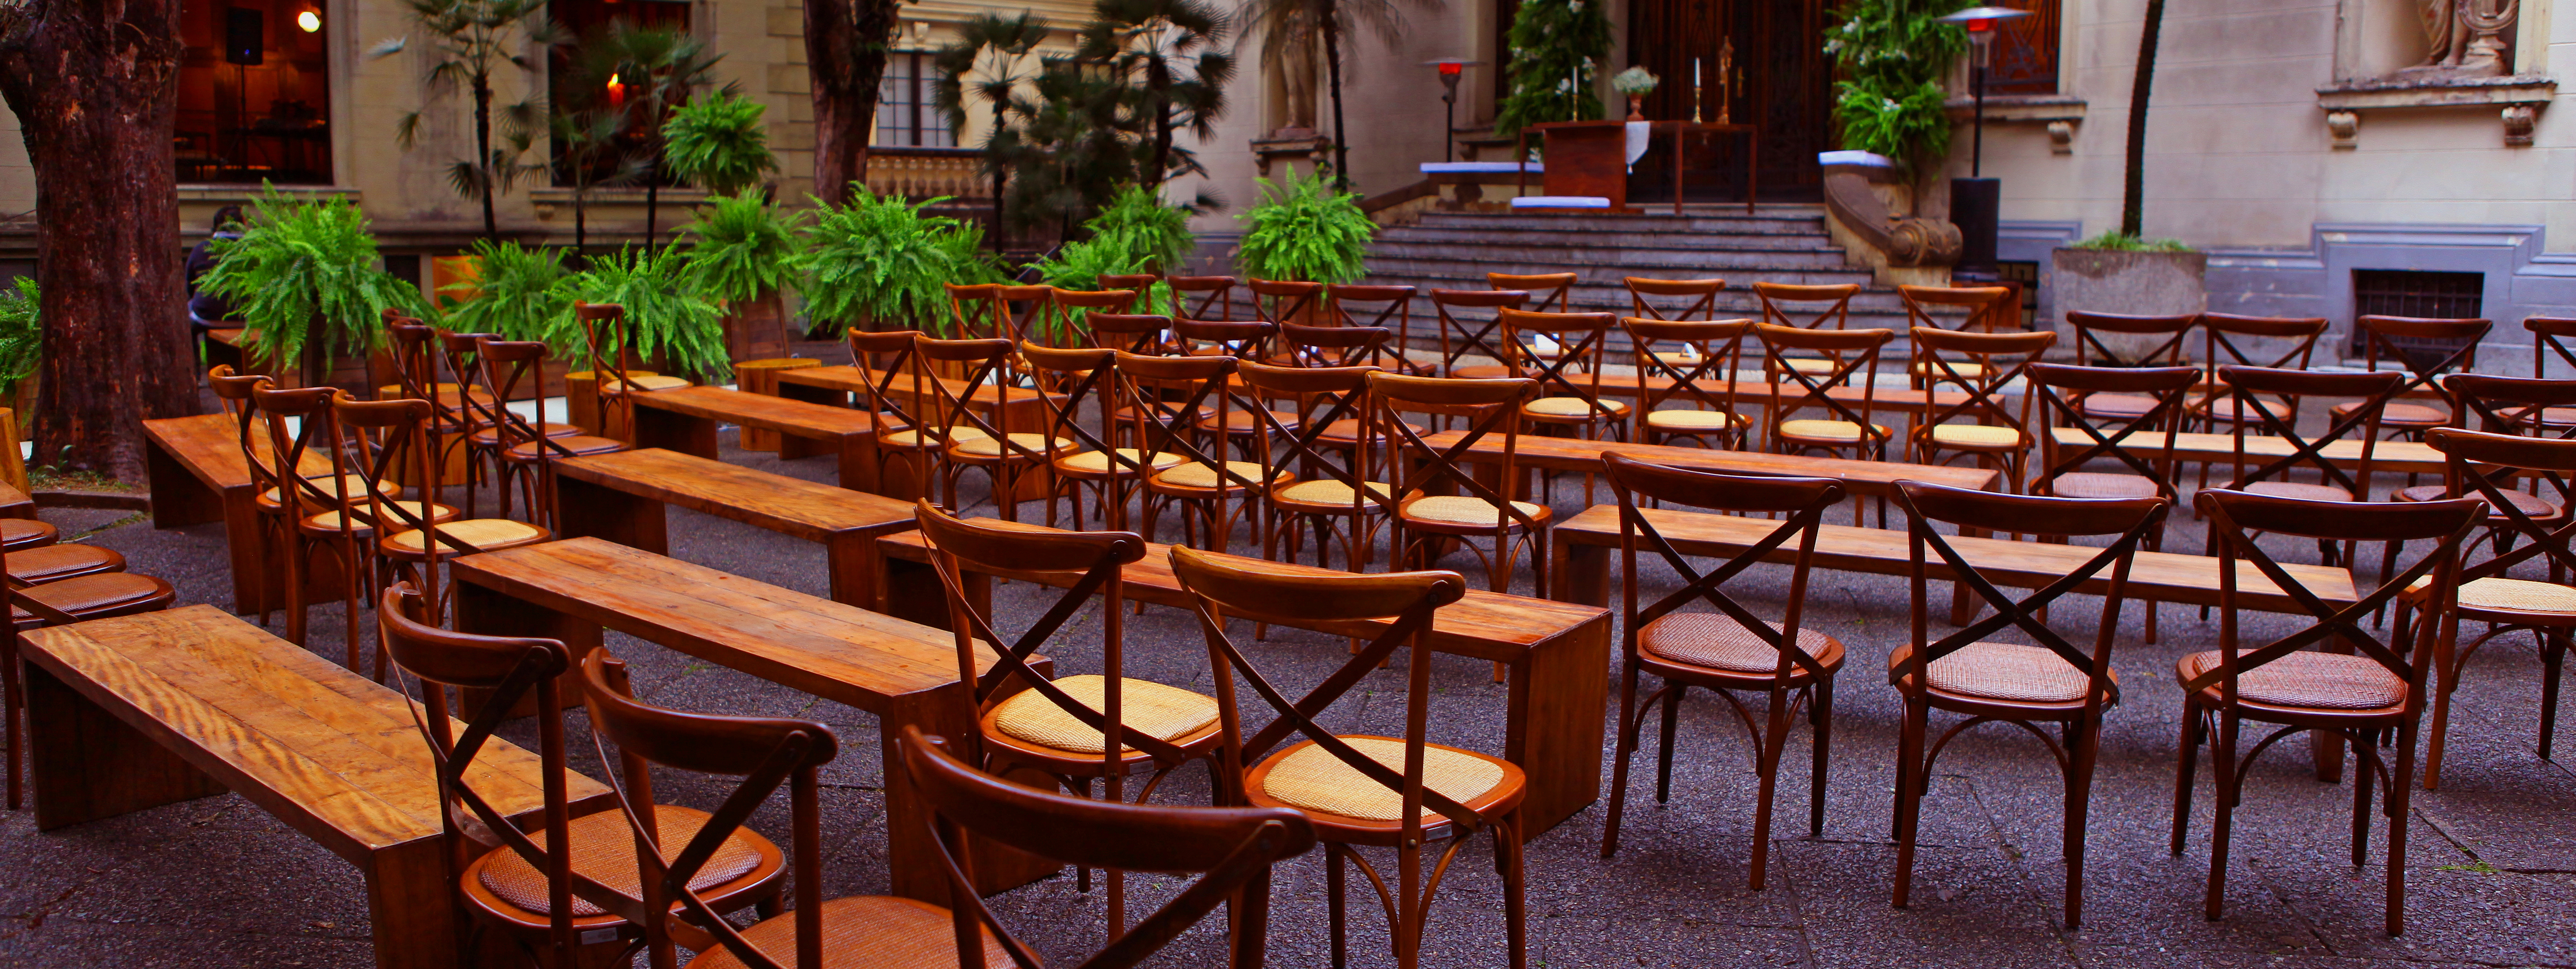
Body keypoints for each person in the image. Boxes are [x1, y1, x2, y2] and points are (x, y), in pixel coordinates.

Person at [185, 206, 244, 366]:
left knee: (184, 324)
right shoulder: (255, 250)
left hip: (206, 317)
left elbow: (188, 289)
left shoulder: (201, 249)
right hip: (246, 319)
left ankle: (194, 374)